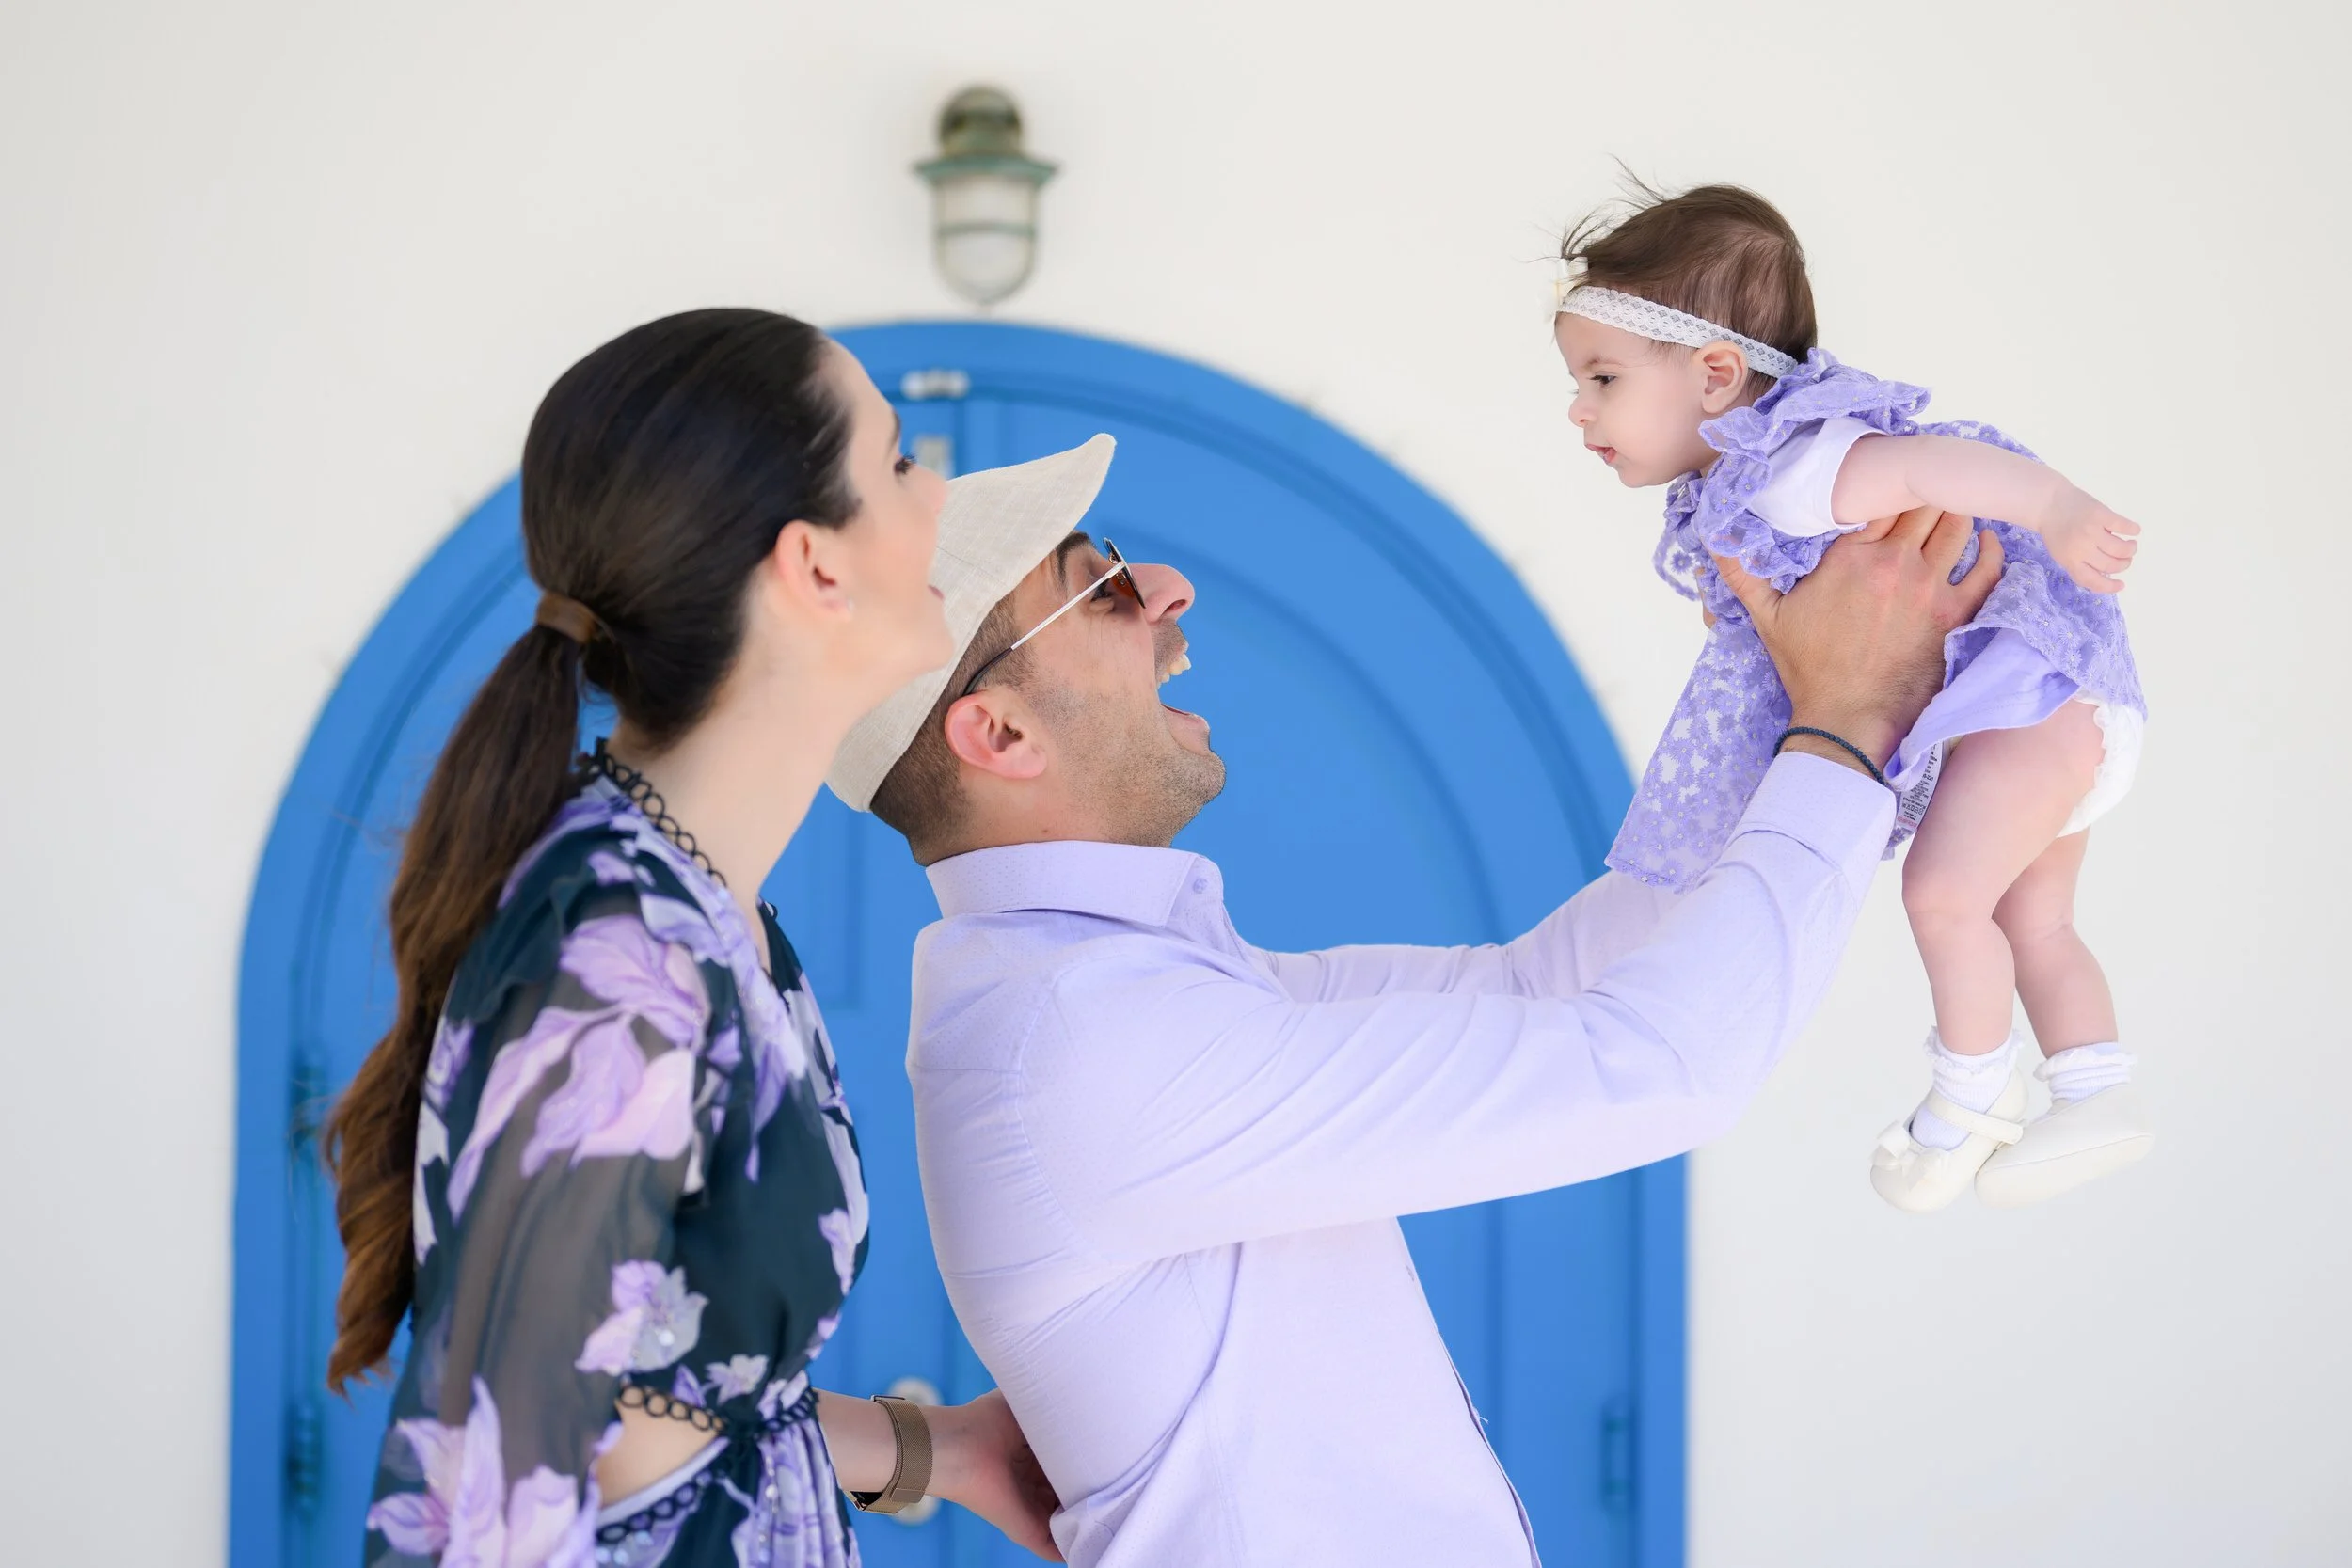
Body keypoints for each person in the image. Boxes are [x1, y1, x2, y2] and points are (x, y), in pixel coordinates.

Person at [820, 430, 2000, 1566]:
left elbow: (1549, 984)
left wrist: (1779, 682)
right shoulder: (1085, 1040)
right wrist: (1846, 722)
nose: (1172, 588)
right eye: (1107, 587)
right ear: (1000, 731)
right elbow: (1654, 1063)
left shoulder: (1122, 993)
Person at [322, 309, 1064, 1568]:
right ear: (812, 566)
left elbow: (654, 1402)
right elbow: (488, 1496)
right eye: (893, 462)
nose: (933, 489)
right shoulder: (616, 956)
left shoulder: (701, 909)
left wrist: (942, 1451)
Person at [1553, 182, 2153, 1211]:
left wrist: (2052, 504)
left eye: (1600, 376)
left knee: (1943, 895)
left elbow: (1929, 464)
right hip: (2054, 711)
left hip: (2027, 704)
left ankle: (1967, 1097)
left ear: (1714, 373)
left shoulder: (1803, 463)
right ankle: (2091, 1087)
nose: (1578, 409)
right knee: (2035, 920)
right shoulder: (1754, 488)